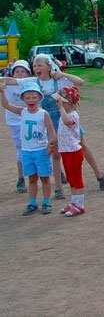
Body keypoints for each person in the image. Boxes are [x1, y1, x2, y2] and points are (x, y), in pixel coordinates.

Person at [1, 54, 84, 199]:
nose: (36, 68)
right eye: (34, 66)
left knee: (63, 154)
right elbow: (11, 80)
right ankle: (53, 188)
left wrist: (62, 74)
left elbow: (80, 82)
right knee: (50, 153)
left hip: (61, 120)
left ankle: (60, 188)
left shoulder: (58, 80)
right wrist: (2, 82)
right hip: (45, 121)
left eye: (39, 65)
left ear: (49, 67)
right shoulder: (33, 81)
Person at [0, 81, 57, 215]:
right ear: (23, 99)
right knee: (31, 178)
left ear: (39, 98)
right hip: (27, 151)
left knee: (44, 178)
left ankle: (46, 202)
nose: (31, 100)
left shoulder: (43, 114)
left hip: (40, 150)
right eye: (27, 97)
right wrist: (2, 92)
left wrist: (51, 144)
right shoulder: (23, 112)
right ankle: (32, 202)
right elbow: (6, 105)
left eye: (34, 97)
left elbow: (51, 131)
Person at [54, 86, 86, 217]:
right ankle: (73, 202)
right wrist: (53, 141)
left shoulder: (72, 115)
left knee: (76, 178)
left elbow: (68, 122)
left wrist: (61, 108)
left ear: (70, 102)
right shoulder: (64, 115)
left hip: (73, 151)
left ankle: (80, 205)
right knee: (71, 178)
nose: (59, 104)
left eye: (63, 102)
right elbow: (62, 131)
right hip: (65, 150)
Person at [3, 60, 30, 192]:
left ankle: (56, 172)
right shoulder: (7, 84)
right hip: (15, 121)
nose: (20, 74)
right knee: (20, 150)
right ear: (12, 74)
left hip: (31, 120)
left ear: (28, 74)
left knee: (40, 146)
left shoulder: (31, 84)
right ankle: (21, 178)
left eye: (23, 71)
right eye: (17, 72)